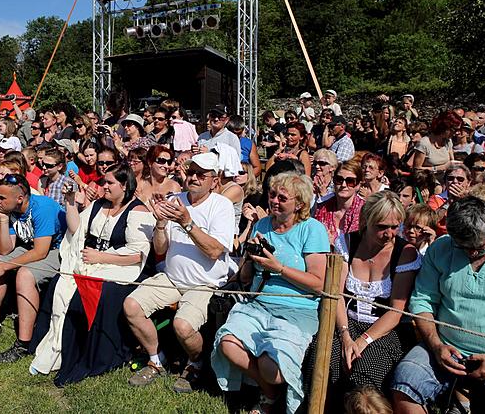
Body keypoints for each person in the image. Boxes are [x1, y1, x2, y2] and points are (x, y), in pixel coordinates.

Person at [211, 172, 329, 413]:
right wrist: (250, 257)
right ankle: (270, 393)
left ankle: (271, 390)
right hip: (259, 304)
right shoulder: (263, 224)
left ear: (300, 204)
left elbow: (319, 284)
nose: (274, 201)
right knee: (228, 344)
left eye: (282, 198)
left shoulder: (312, 229)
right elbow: (245, 277)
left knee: (270, 367)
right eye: (272, 195)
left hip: (297, 310)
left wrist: (279, 268)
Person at [30, 164, 155, 383]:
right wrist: (70, 202)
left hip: (123, 269)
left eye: (110, 183)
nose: (103, 186)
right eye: (103, 182)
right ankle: (57, 345)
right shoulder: (99, 205)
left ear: (124, 185)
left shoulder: (138, 212)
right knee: (60, 283)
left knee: (93, 292)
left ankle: (86, 352)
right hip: (93, 262)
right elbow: (76, 229)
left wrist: (101, 258)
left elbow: (138, 256)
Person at [124, 152, 234, 394]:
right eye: (191, 172)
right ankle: (156, 358)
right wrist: (161, 223)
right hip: (172, 278)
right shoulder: (176, 199)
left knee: (183, 325)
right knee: (131, 305)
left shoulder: (221, 205)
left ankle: (196, 362)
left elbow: (215, 251)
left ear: (214, 181)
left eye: (201, 174)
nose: (193, 177)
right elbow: (160, 249)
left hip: (205, 283)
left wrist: (187, 222)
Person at [391, 196, 485, 413]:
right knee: (405, 384)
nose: (471, 252)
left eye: (479, 245)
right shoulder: (441, 248)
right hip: (445, 348)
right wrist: (436, 346)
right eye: (463, 246)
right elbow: (423, 301)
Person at [305, 191, 420, 403]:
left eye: (395, 227)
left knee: (365, 376)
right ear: (367, 221)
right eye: (382, 227)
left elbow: (396, 311)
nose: (389, 233)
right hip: (346, 322)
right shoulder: (348, 242)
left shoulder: (405, 252)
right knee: (323, 363)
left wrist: (362, 341)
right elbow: (336, 294)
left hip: (385, 330)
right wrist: (346, 335)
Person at [0, 175, 66, 366]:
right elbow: (5, 249)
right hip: (32, 246)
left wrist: (7, 265)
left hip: (59, 250)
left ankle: (24, 343)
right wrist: (3, 220)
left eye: (2, 198)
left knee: (24, 275)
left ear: (20, 198)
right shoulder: (11, 209)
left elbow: (41, 251)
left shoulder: (42, 208)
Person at [315, 160, 365, 247]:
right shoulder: (321, 207)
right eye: (339, 180)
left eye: (350, 181)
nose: (343, 185)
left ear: (358, 185)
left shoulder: (365, 211)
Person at [412, 111, 461, 176]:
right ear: (444, 127)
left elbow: (451, 162)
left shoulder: (448, 141)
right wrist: (441, 168)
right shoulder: (424, 143)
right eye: (454, 130)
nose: (457, 133)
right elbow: (416, 170)